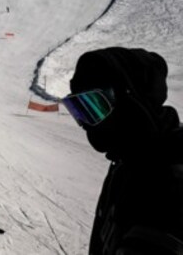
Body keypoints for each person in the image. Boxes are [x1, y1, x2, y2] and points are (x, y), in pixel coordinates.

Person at [62, 47, 183, 254]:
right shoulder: (127, 162)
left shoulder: (168, 184)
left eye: (94, 107)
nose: (84, 124)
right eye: (79, 109)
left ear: (132, 101)